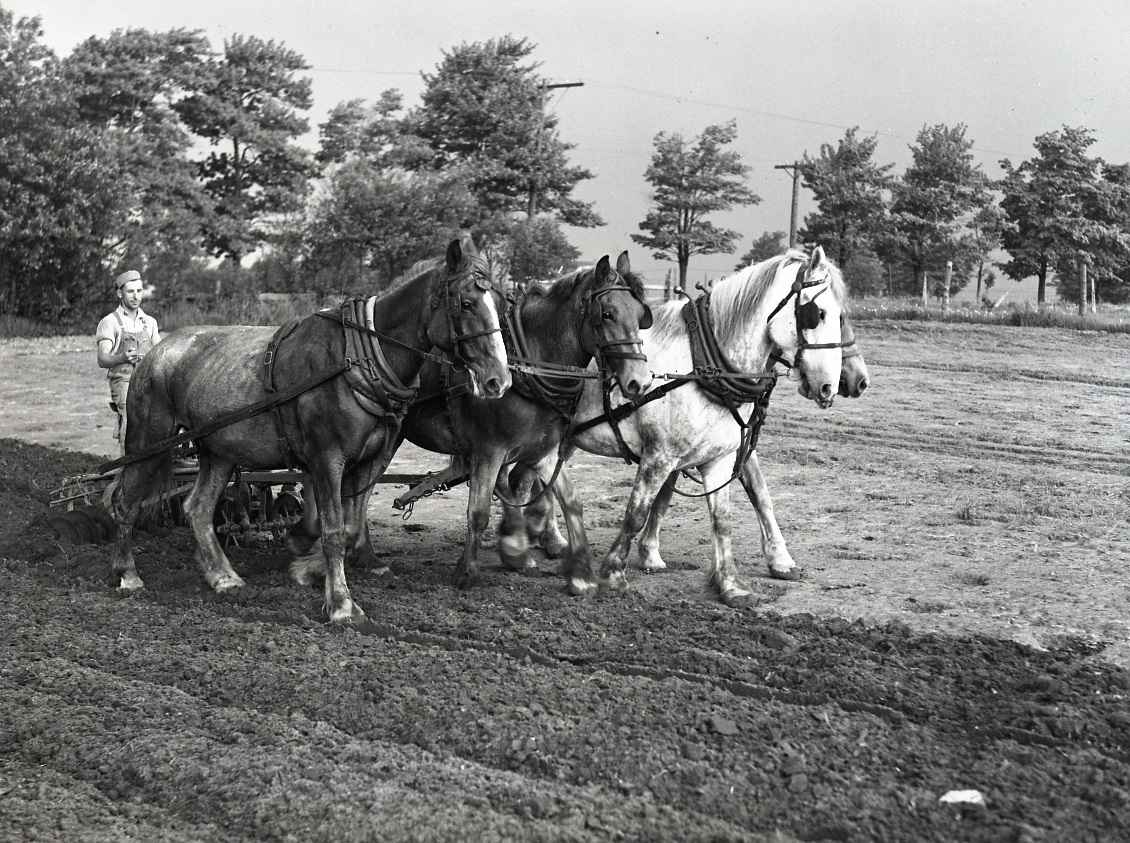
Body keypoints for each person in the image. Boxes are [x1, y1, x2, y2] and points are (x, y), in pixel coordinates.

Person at [96, 269, 161, 454]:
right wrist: (122, 357)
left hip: (149, 381)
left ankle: (163, 461)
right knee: (132, 418)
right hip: (123, 382)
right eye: (130, 291)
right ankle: (129, 465)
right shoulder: (110, 322)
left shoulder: (150, 322)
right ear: (120, 293)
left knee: (168, 412)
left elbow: (160, 354)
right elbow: (102, 359)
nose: (136, 296)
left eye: (139, 291)